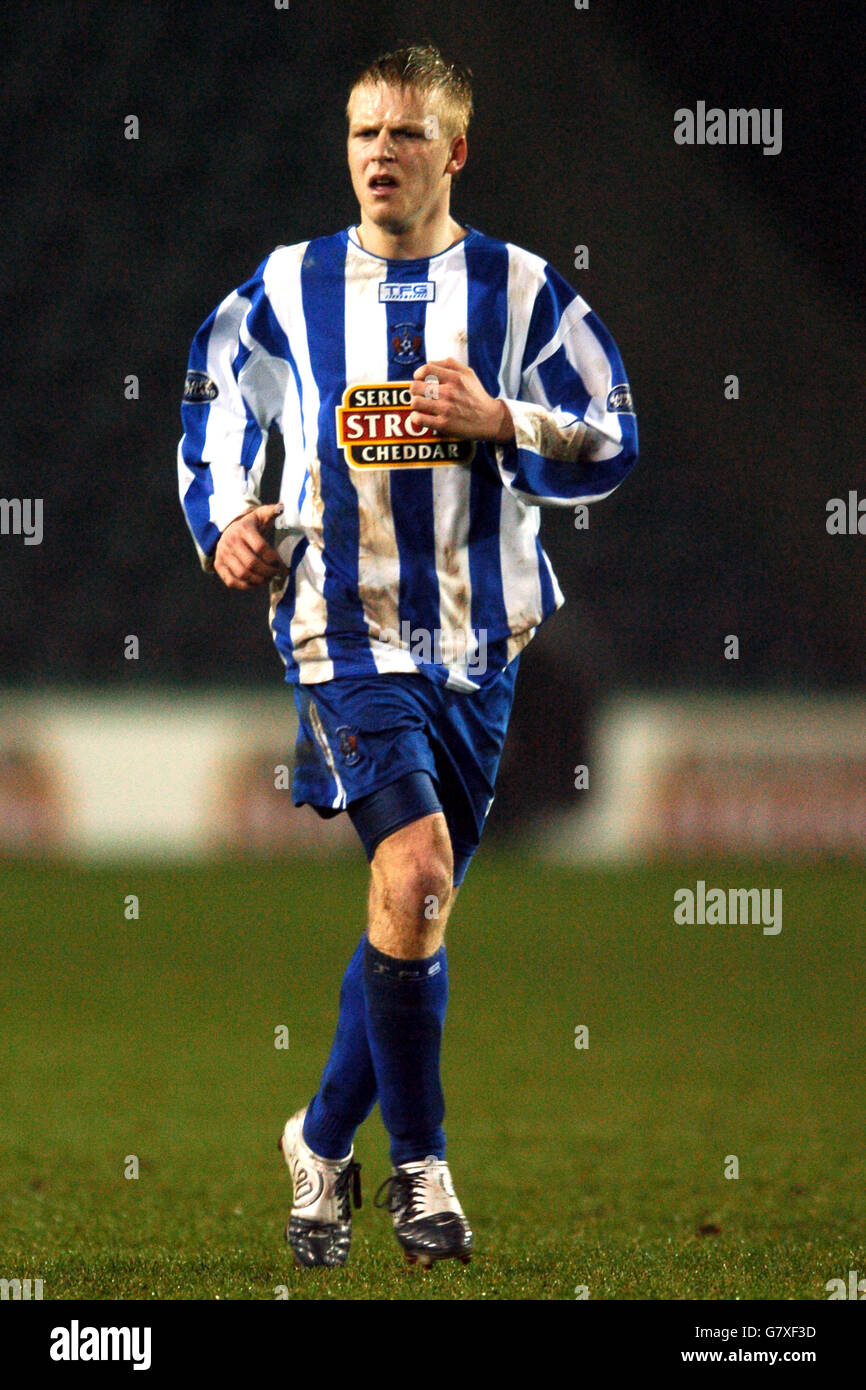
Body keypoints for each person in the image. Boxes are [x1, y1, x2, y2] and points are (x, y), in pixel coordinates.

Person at [177, 42, 638, 1270]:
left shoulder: (521, 290)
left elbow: (611, 433)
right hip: (341, 635)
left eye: (405, 134)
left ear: (455, 150)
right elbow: (216, 394)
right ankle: (421, 1170)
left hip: (481, 648)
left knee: (410, 907)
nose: (380, 154)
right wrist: (225, 515)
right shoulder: (289, 283)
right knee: (419, 863)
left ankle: (318, 1142)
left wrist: (503, 419)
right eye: (363, 134)